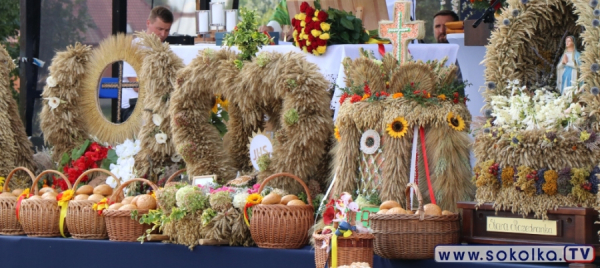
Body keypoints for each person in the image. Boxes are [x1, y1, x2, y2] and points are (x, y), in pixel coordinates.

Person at [120, 6, 173, 122]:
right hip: (133, 106)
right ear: (148, 23)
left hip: (157, 103)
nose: (163, 34)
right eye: (159, 29)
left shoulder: (166, 50)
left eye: (167, 30)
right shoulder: (133, 48)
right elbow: (136, 86)